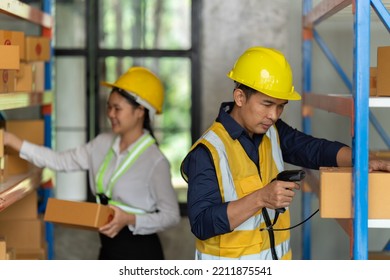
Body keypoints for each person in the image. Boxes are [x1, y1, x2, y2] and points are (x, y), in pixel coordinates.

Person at [180, 46, 390, 260]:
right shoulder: (207, 151)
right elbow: (201, 224)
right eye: (267, 104)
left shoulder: (273, 132)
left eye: (281, 106)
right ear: (240, 97)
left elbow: (313, 149)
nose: (273, 115)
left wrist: (363, 160)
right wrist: (261, 197)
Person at [4, 66, 181, 260]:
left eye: (117, 109)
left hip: (140, 253)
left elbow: (171, 215)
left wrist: (129, 219)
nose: (110, 114)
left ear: (140, 111)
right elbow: (58, 161)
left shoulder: (155, 161)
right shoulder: (102, 143)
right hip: (107, 249)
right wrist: (10, 140)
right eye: (109, 106)